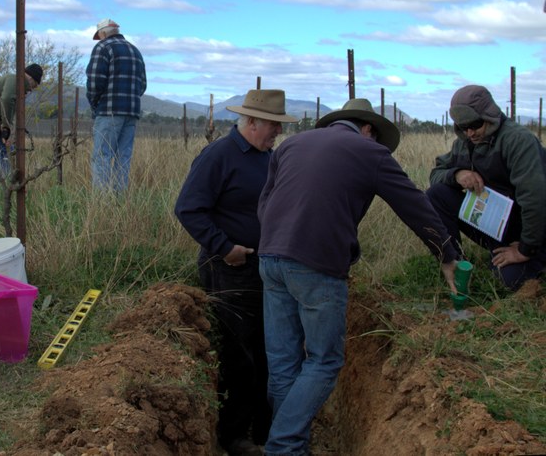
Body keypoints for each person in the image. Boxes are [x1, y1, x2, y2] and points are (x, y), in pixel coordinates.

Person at [257, 99, 460, 456]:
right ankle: (283, 445)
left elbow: (265, 203)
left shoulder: (292, 143)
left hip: (270, 258)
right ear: (368, 129)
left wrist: (278, 239)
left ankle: (290, 442)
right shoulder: (370, 152)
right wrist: (446, 253)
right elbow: (414, 204)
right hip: (317, 265)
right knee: (324, 361)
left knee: (284, 359)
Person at [175, 90, 297, 456]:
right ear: (252, 122)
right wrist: (225, 248)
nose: (278, 130)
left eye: (280, 124)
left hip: (266, 269)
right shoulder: (219, 156)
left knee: (266, 349)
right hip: (232, 269)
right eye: (274, 124)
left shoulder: (269, 158)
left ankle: (265, 428)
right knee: (239, 353)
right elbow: (188, 209)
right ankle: (233, 436)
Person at [427, 85, 546, 295]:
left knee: (505, 281)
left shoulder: (518, 141)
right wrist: (457, 175)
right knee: (437, 194)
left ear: (489, 116)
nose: (470, 132)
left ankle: (534, 257)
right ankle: (456, 262)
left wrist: (524, 249)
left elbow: (535, 200)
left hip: (535, 228)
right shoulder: (464, 144)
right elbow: (436, 174)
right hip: (497, 224)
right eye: (463, 127)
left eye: (475, 124)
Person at [86, 18, 146, 192]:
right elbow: (142, 85)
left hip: (108, 111)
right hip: (132, 111)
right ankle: (119, 200)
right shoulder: (136, 51)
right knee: (123, 157)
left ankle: (102, 204)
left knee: (102, 155)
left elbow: (95, 82)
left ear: (103, 33)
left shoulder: (103, 48)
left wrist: (95, 104)